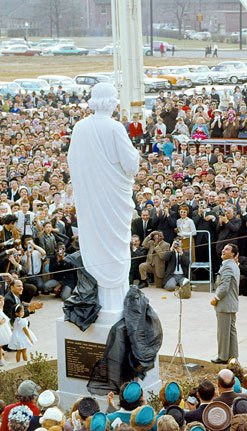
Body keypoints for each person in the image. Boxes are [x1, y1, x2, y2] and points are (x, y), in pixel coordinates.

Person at [67, 82, 140, 310]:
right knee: (114, 244)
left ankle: (101, 302)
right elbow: (131, 164)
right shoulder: (115, 128)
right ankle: (112, 304)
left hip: (91, 199)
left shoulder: (79, 127)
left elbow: (72, 161)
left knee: (97, 242)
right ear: (112, 102)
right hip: (113, 198)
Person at [211, 244, 240, 363]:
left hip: (225, 304)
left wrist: (216, 298)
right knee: (231, 331)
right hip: (231, 304)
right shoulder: (234, 265)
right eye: (223, 248)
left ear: (233, 254)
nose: (223, 250)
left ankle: (223, 357)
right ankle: (233, 356)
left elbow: (224, 286)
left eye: (227, 249)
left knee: (223, 332)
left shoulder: (227, 266)